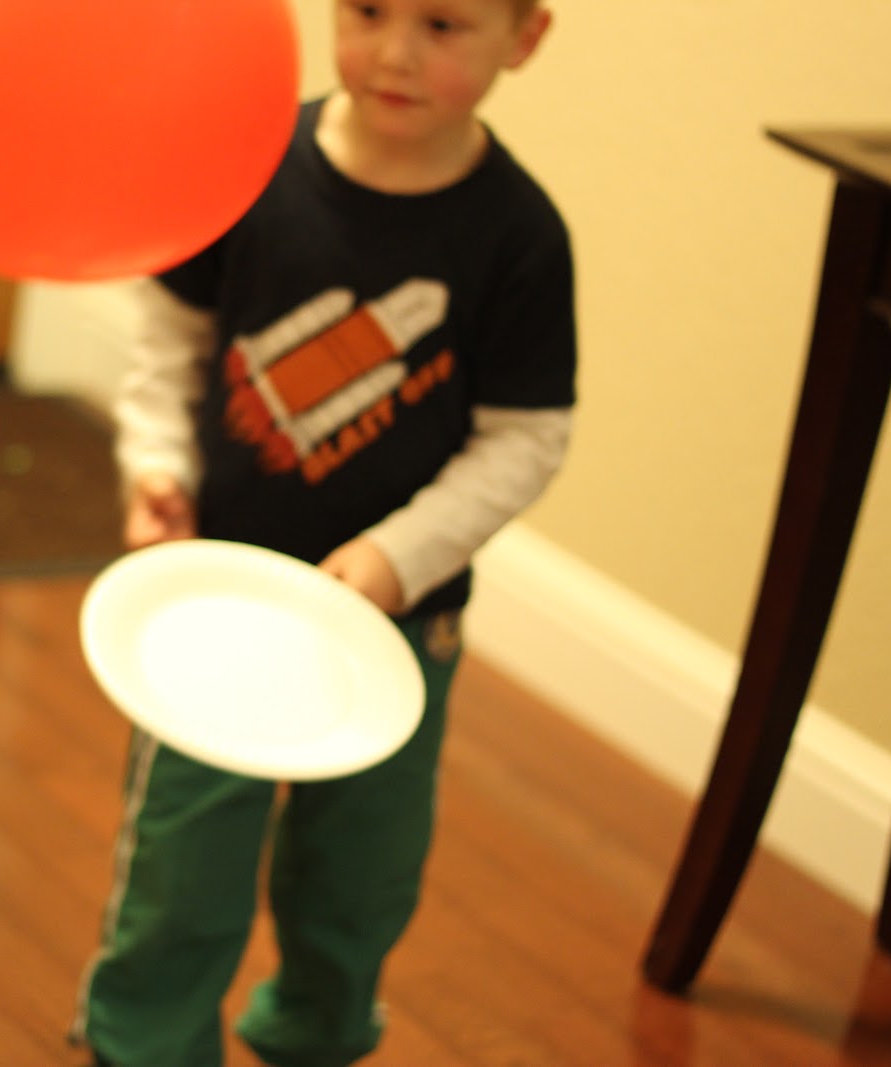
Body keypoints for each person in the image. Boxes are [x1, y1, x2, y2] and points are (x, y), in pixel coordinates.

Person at [73, 0, 574, 1063]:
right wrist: (155, 468)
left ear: (524, 40)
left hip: (397, 629)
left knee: (361, 869)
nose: (393, 52)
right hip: (219, 606)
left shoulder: (519, 236)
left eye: (443, 24)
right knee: (180, 858)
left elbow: (525, 440)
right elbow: (170, 337)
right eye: (367, 10)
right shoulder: (248, 165)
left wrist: (397, 561)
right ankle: (143, 1040)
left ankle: (315, 1027)